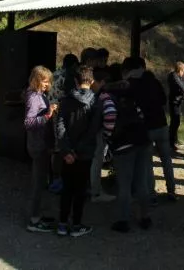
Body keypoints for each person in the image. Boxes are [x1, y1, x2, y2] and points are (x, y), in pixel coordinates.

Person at [108, 58, 153, 233]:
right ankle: (145, 217)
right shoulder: (141, 90)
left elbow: (108, 122)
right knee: (141, 182)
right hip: (142, 139)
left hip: (123, 143)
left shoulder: (111, 96)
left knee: (124, 185)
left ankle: (123, 220)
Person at [126, 57, 177, 203]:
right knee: (166, 159)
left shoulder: (133, 84)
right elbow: (163, 100)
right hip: (161, 123)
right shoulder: (154, 82)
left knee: (148, 162)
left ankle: (152, 193)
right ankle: (171, 190)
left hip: (147, 126)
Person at [55, 66, 97, 237]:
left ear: (75, 81)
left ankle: (62, 224)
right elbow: (93, 130)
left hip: (68, 154)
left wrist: (67, 150)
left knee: (67, 188)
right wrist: (78, 150)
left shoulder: (66, 100)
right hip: (85, 153)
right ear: (92, 81)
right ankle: (77, 225)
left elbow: (60, 126)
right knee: (80, 190)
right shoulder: (95, 102)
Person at [24, 66, 58, 233]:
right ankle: (34, 220)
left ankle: (38, 214)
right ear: (36, 80)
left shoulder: (38, 95)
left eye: (48, 82)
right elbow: (28, 123)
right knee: (38, 183)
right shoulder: (33, 98)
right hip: (38, 145)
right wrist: (47, 115)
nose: (47, 85)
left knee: (42, 181)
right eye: (44, 81)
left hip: (43, 144)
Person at [47, 53, 79, 194]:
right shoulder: (68, 76)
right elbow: (72, 95)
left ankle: (53, 179)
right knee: (62, 147)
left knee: (55, 148)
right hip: (61, 114)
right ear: (74, 65)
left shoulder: (54, 74)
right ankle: (60, 180)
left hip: (51, 112)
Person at [89, 68, 117, 203]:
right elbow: (111, 114)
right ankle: (96, 192)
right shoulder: (104, 96)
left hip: (91, 133)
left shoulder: (92, 95)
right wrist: (107, 134)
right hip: (99, 133)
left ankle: (92, 189)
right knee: (97, 162)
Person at [167, 61, 184, 153]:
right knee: (175, 121)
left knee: (176, 121)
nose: (183, 73)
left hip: (177, 101)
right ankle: (170, 141)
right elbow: (182, 86)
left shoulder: (178, 76)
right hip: (174, 101)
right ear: (180, 70)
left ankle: (173, 140)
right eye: (183, 71)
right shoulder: (174, 76)